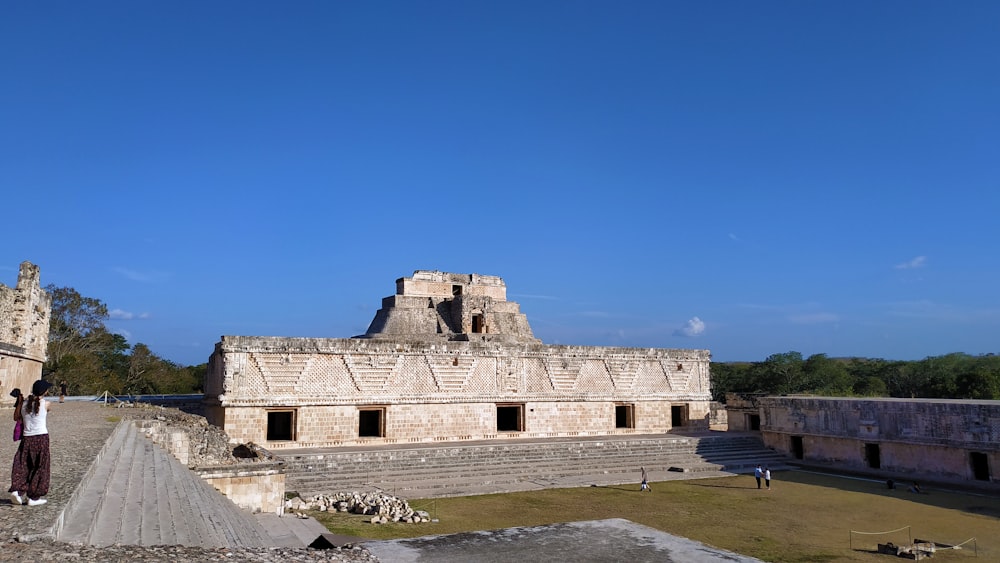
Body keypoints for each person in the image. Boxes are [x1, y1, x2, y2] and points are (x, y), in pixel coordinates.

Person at [9, 380, 54, 507]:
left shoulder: (23, 404)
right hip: (41, 438)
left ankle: (17, 490)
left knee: (23, 464)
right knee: (40, 466)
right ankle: (33, 497)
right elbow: (45, 409)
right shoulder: (46, 404)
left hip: (27, 439)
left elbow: (18, 417)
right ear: (44, 391)